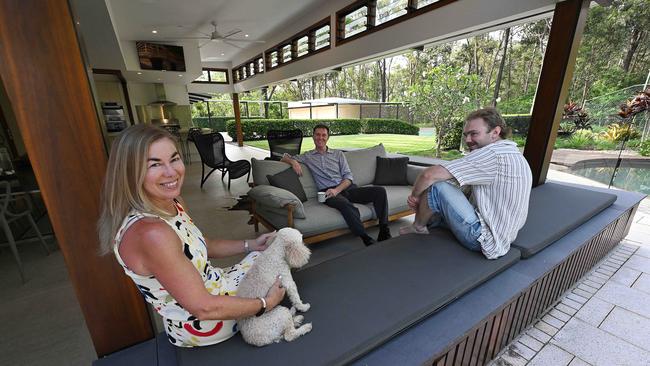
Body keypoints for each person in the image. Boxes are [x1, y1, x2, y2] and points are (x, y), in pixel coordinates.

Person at [97, 124, 286, 347]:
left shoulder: (172, 204)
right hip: (207, 325)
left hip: (217, 287)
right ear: (130, 172)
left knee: (273, 251)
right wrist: (265, 303)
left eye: (174, 159)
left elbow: (200, 244)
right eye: (155, 164)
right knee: (280, 265)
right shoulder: (151, 233)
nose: (171, 172)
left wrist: (251, 244)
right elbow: (204, 307)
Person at [400, 108, 532, 259]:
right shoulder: (512, 153)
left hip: (484, 238)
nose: (468, 140)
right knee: (439, 193)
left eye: (474, 134)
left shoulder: (493, 154)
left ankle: (418, 227)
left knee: (437, 186)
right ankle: (430, 223)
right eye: (466, 135)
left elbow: (428, 175)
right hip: (505, 234)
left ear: (495, 132)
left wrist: (415, 197)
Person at [281, 124, 392, 246]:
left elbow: (348, 177)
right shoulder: (307, 156)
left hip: (346, 187)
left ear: (327, 138)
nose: (320, 138)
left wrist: (337, 190)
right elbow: (283, 157)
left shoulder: (338, 154)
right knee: (346, 205)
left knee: (380, 191)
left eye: (324, 135)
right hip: (327, 193)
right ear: (313, 137)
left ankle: (384, 230)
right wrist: (293, 162)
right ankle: (365, 238)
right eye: (317, 134)